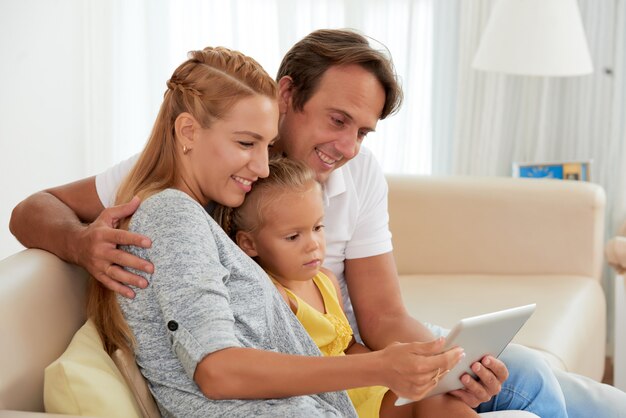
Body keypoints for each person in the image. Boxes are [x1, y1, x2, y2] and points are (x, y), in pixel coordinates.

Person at [10, 29, 626, 417]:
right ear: (287, 96)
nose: (349, 147)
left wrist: (434, 362)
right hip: (324, 373)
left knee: (525, 374)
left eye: (363, 131)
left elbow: (381, 317)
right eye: (337, 121)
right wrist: (81, 242)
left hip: (347, 353)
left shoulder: (346, 174)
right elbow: (31, 209)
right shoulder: (183, 188)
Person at [84, 45, 465, 418]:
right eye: (246, 143)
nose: (264, 168)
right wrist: (380, 367)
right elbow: (216, 369)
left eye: (266, 145)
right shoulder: (171, 214)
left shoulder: (196, 218)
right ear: (187, 132)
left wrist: (425, 369)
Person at [214, 156, 479, 418]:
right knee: (432, 403)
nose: (313, 244)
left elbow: (349, 346)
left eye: (318, 227)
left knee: (438, 397)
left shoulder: (326, 280)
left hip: (369, 386)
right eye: (293, 236)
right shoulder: (275, 297)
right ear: (249, 244)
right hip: (334, 400)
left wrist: (389, 366)